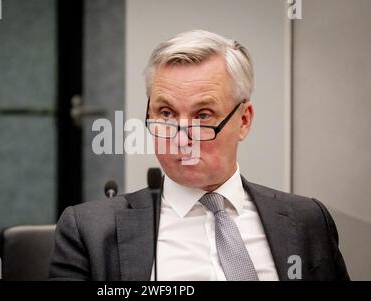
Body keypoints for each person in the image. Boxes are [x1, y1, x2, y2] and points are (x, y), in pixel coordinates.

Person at [49, 30, 349, 281]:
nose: (182, 137)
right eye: (165, 114)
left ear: (243, 120)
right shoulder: (90, 230)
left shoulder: (307, 220)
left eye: (203, 115)